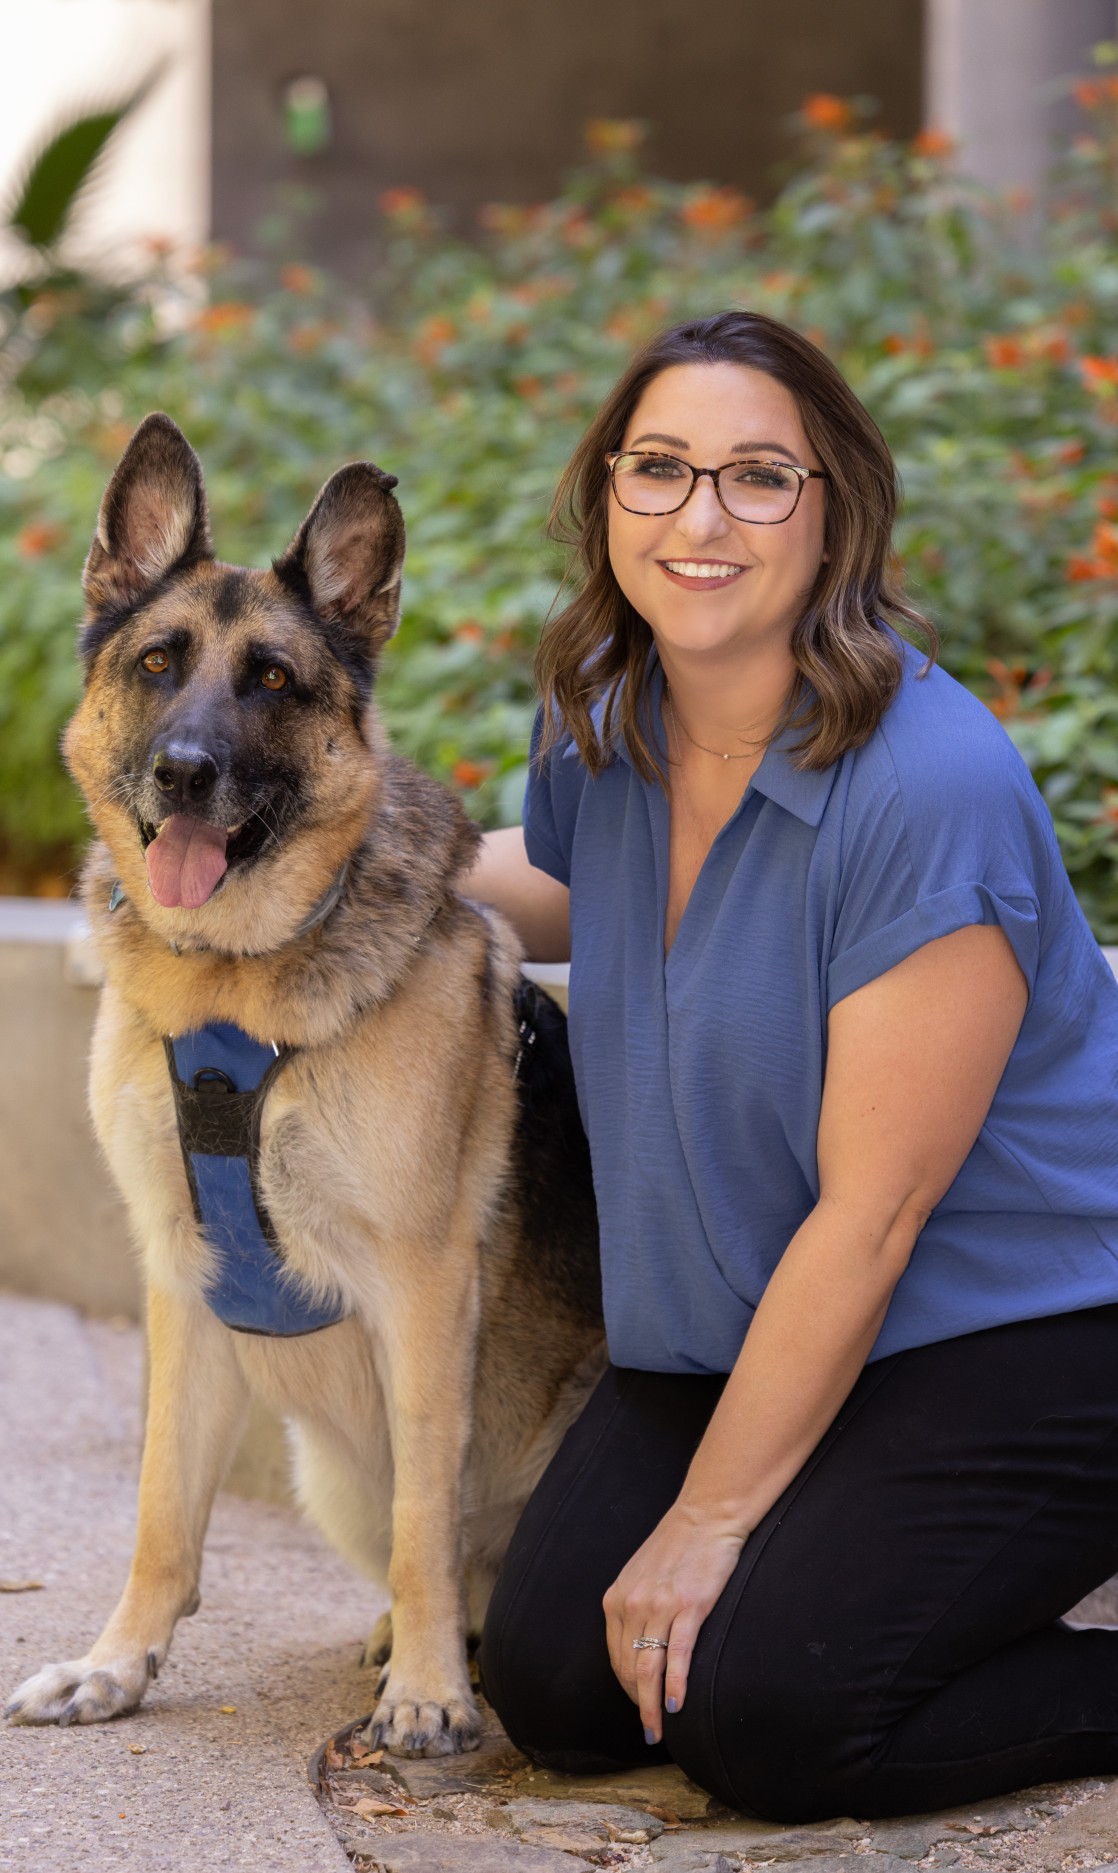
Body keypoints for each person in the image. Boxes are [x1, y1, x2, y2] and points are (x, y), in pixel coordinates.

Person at [461, 310, 1118, 1821]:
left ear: (833, 515)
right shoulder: (602, 726)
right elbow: (560, 880)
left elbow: (872, 1217)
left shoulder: (926, 788)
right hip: (757, 1307)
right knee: (562, 1683)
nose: (700, 517)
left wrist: (707, 1521)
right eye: (660, 469)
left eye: (759, 476)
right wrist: (314, 865)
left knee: (770, 1717)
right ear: (605, 495)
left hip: (1024, 1322)